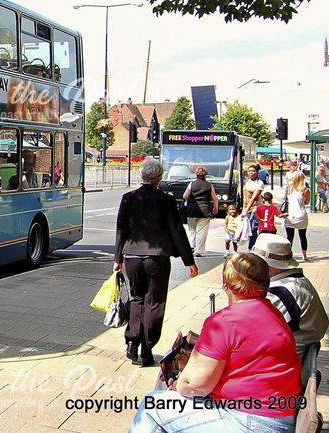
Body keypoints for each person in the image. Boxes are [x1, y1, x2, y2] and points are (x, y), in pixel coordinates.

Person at [129, 253, 301, 433]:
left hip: (249, 421)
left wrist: (177, 385)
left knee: (152, 407)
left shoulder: (225, 322)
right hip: (279, 415)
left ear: (227, 285)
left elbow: (196, 385)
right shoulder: (274, 313)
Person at [114, 159, 198, 367]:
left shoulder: (128, 198)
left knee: (136, 299)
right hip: (157, 258)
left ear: (142, 176)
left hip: (131, 257)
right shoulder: (166, 200)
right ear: (159, 177)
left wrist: (117, 259)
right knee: (155, 302)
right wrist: (189, 261)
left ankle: (132, 341)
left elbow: (120, 230)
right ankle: (147, 348)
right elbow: (176, 231)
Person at [253, 233, 328, 361]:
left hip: (281, 365)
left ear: (266, 265)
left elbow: (253, 333)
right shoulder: (297, 282)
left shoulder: (281, 292)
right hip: (295, 358)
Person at [182, 166, 218, 256]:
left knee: (191, 230)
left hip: (191, 210)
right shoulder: (209, 185)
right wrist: (215, 207)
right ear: (206, 174)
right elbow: (214, 198)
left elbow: (185, 196)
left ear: (196, 174)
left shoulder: (191, 184)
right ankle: (198, 250)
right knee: (201, 231)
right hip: (205, 211)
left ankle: (191, 246)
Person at [282, 170, 310, 262]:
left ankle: (288, 255)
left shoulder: (289, 188)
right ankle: (304, 255)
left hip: (290, 215)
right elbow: (306, 203)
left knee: (289, 237)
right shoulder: (305, 190)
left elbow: (285, 200)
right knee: (302, 235)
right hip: (301, 215)